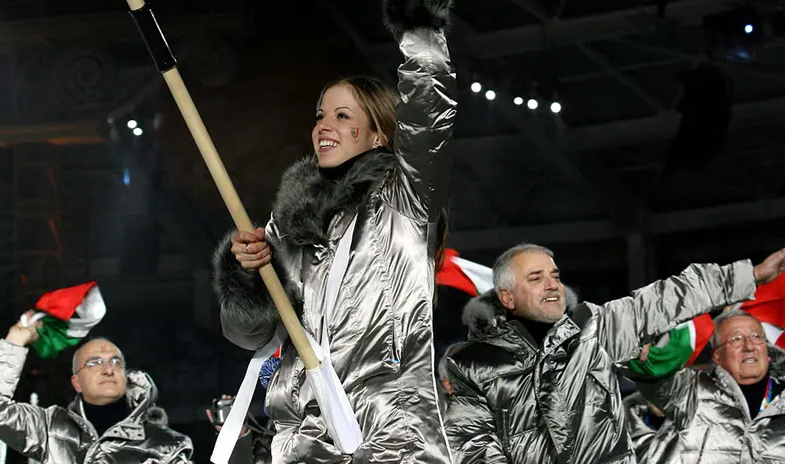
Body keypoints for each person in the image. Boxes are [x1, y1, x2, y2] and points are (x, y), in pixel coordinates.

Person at [211, 0, 456, 462]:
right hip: (301, 437)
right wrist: (247, 277)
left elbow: (429, 115)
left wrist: (421, 29)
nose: (324, 126)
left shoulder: (405, 198)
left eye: (343, 116)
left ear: (379, 134)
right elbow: (249, 336)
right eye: (321, 115)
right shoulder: (288, 228)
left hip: (389, 435)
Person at [443, 243, 785, 463]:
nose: (552, 284)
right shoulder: (470, 364)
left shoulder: (594, 329)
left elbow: (665, 298)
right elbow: (472, 446)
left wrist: (750, 275)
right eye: (536, 278)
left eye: (555, 275)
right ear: (507, 297)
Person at [0, 311, 193, 463]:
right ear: (76, 382)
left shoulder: (166, 444)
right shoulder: (50, 429)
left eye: (116, 362)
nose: (108, 369)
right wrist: (14, 342)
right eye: (94, 362)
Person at [637, 309, 785, 461]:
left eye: (756, 336)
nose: (749, 346)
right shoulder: (689, 392)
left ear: (767, 352)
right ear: (717, 356)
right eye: (736, 339)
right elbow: (648, 372)